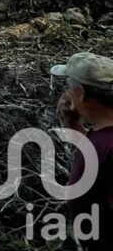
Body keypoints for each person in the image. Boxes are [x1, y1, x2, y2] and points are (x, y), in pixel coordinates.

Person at [52, 52, 113, 249]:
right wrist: (74, 127)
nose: (66, 93)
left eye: (68, 87)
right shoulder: (101, 140)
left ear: (80, 93)